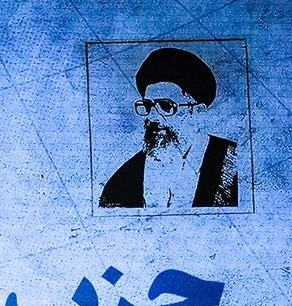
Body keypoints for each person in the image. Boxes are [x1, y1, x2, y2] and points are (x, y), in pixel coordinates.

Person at [100, 47, 239, 209]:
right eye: (148, 105)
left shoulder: (234, 163)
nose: (152, 117)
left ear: (197, 112)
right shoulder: (121, 183)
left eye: (166, 106)